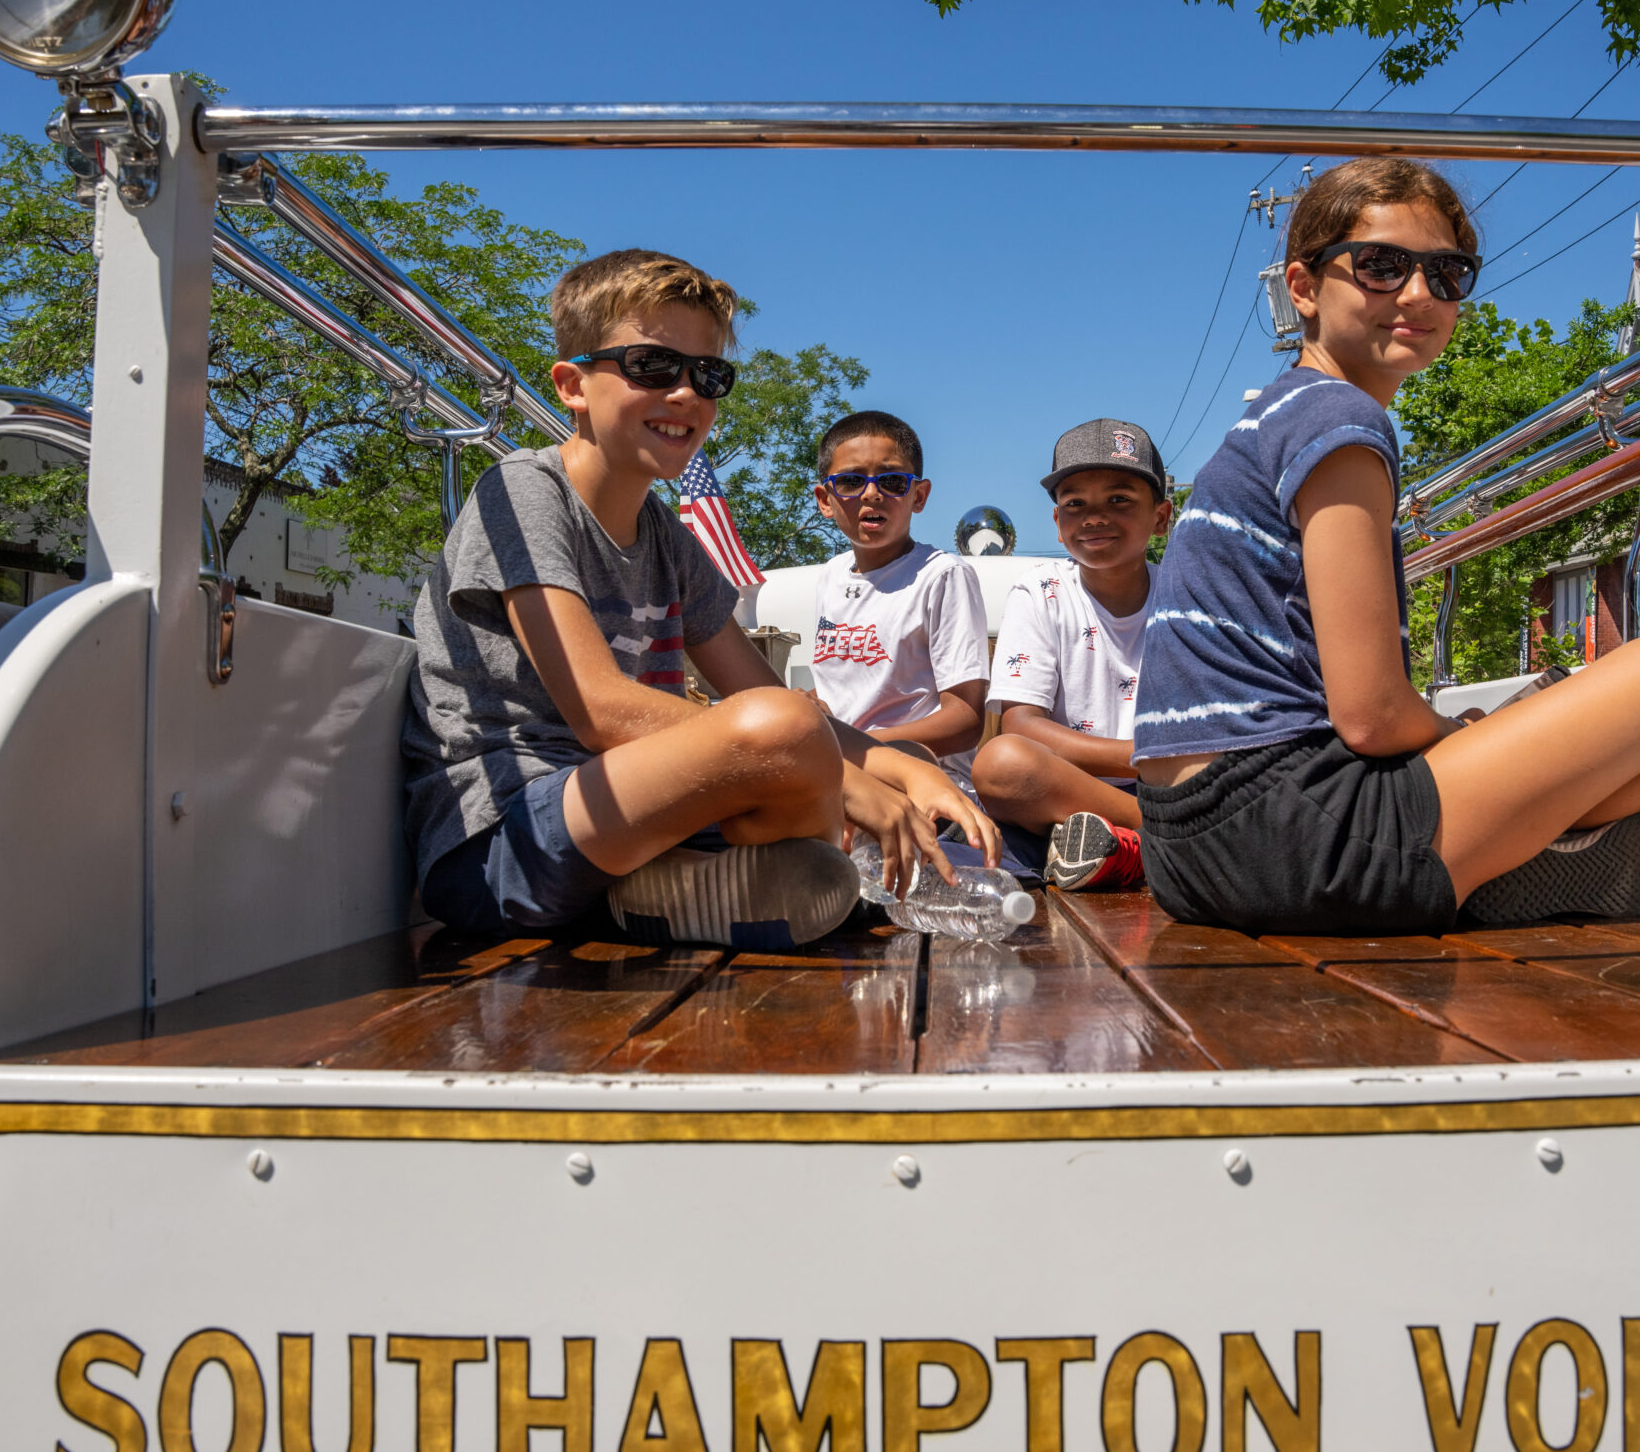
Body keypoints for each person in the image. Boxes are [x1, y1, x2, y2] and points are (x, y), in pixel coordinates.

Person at [1131, 159, 1640, 934]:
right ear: (1303, 287)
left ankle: (1499, 853)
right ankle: (1502, 859)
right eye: (1381, 266)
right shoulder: (1337, 420)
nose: (1417, 294)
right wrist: (1464, 735)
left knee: (1564, 721)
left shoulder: (1273, 418)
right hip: (1287, 832)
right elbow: (1373, 716)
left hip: (1184, 844)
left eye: (1447, 274)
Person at [401, 251, 998, 948]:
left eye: (708, 375)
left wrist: (904, 770)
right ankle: (689, 879)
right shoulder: (520, 492)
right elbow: (601, 711)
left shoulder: (664, 534)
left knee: (814, 733)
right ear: (572, 384)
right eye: (652, 366)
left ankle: (668, 889)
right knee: (786, 729)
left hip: (623, 819)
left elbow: (763, 693)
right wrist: (840, 777)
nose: (686, 393)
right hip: (500, 840)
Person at [973, 419, 1170, 891]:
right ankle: (1165, 841)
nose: (1095, 516)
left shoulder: (1190, 594)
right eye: (1075, 503)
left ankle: (1126, 847)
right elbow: (1021, 723)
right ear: (1059, 526)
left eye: (1119, 499)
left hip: (1173, 782)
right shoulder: (1041, 591)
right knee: (1000, 765)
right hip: (1070, 789)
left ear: (1161, 518)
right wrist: (1140, 757)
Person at [807, 410, 991, 801]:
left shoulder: (941, 576)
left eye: (891, 481)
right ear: (825, 500)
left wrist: (852, 745)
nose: (872, 493)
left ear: (918, 496)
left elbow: (966, 720)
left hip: (921, 776)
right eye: (851, 481)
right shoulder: (831, 575)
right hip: (839, 769)